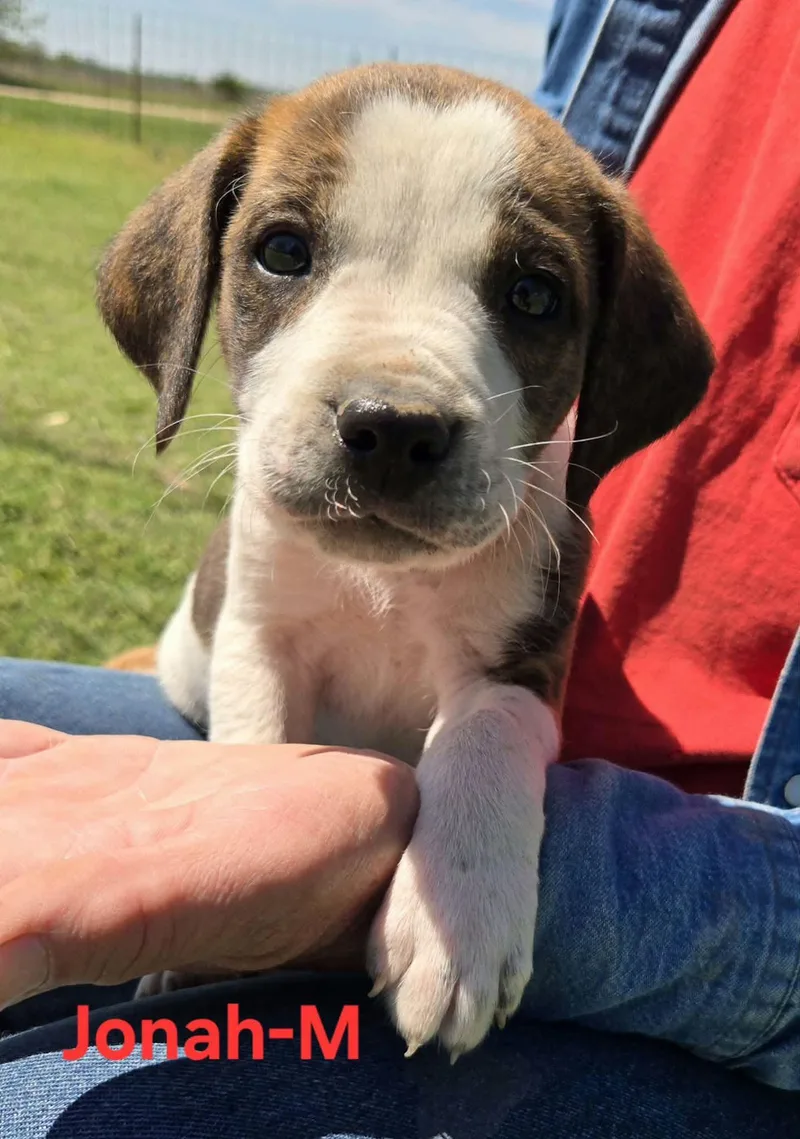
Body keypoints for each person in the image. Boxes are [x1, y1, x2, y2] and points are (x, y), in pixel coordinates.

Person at [1, 0, 799, 1135]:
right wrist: (243, 814)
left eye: (527, 295)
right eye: (288, 250)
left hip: (708, 873)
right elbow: (262, 632)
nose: (395, 403)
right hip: (239, 703)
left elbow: (508, 680)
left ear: (604, 357)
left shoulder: (536, 501)